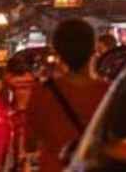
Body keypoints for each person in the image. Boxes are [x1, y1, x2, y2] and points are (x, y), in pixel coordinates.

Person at [26, 20, 110, 172]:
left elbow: (30, 143)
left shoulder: (42, 93)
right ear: (94, 50)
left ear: (58, 53)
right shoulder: (109, 94)